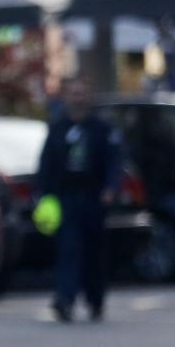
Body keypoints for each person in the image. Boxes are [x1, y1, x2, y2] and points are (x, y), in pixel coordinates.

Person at [36, 77, 121, 322]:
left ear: (88, 97)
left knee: (94, 252)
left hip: (94, 198)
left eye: (82, 93)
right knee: (68, 249)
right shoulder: (58, 128)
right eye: (73, 93)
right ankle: (65, 298)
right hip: (66, 198)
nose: (78, 98)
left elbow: (114, 162)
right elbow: (46, 163)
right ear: (66, 97)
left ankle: (95, 299)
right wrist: (42, 193)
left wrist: (110, 188)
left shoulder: (102, 129)